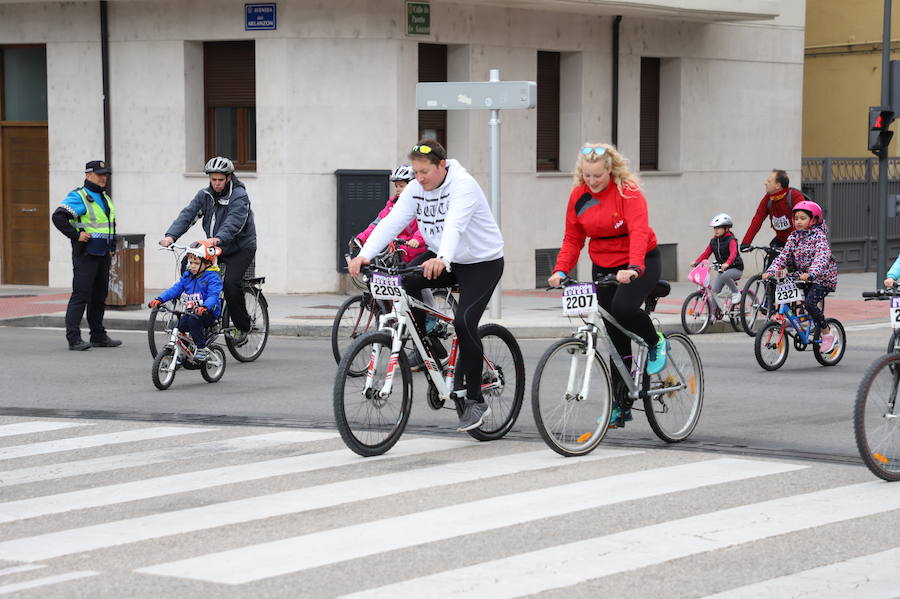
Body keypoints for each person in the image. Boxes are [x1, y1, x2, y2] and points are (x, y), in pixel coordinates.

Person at [348, 139, 504, 433]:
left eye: (424, 172)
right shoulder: (418, 189)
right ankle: (433, 352)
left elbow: (455, 224)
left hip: (480, 262)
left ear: (441, 166)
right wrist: (365, 254)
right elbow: (392, 221)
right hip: (441, 256)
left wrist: (442, 258)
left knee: (464, 321)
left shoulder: (463, 185)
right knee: (401, 284)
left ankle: (475, 398)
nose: (418, 179)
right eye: (415, 172)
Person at [547, 143, 665, 428]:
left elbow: (638, 230)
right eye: (587, 175)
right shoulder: (579, 196)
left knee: (623, 308)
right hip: (603, 264)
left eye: (597, 175)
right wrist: (561, 270)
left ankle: (654, 341)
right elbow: (573, 238)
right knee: (612, 333)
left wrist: (635, 267)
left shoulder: (628, 191)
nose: (592, 181)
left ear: (610, 170)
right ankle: (621, 404)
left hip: (641, 260)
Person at [159, 157, 257, 346]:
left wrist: (218, 238)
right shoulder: (205, 195)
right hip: (216, 247)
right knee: (190, 269)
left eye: (220, 179)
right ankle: (195, 313)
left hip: (240, 247)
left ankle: (242, 327)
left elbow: (235, 221)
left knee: (230, 284)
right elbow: (188, 215)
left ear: (228, 178)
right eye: (213, 179)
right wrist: (171, 236)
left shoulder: (239, 195)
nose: (216, 183)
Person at [51, 160, 122, 351]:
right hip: (87, 253)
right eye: (99, 174)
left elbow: (110, 224)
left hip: (103, 253)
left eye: (105, 174)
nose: (103, 178)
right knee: (81, 295)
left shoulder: (104, 197)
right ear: (87, 175)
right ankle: (73, 338)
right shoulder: (79, 196)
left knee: (99, 296)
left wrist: (112, 245)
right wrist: (76, 235)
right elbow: (58, 216)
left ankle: (98, 335)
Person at [762, 200, 838, 354]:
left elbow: (822, 257)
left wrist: (812, 273)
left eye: (803, 218)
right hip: (803, 276)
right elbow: (783, 257)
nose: (798, 221)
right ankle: (791, 318)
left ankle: (827, 333)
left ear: (813, 220)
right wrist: (771, 271)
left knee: (810, 303)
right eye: (796, 218)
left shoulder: (819, 236)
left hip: (822, 277)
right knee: (784, 286)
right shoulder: (794, 237)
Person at [148, 241, 223, 361]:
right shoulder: (188, 276)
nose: (192, 265)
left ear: (207, 263)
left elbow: (213, 296)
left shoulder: (212, 277)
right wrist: (160, 299)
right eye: (190, 262)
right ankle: (180, 353)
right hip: (191, 311)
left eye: (196, 263)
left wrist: (205, 307)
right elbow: (175, 289)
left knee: (193, 321)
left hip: (208, 312)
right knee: (179, 326)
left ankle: (201, 348)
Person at [355, 165, 427, 264]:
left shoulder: (423, 203)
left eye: (401, 186)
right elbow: (377, 225)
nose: (397, 189)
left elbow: (427, 226)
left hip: (420, 253)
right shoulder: (392, 205)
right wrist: (361, 239)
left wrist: (417, 239)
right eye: (396, 186)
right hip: (398, 254)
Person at [739, 169, 806, 253]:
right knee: (771, 260)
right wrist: (746, 242)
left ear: (777, 185)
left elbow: (801, 223)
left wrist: (791, 244)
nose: (765, 183)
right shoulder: (769, 198)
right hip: (781, 240)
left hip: (799, 239)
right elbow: (757, 219)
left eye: (769, 181)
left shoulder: (795, 196)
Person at [690, 213, 744, 309]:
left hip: (735, 268)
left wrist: (727, 263)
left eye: (718, 228)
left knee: (725, 275)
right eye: (715, 228)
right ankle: (713, 316)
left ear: (726, 228)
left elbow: (733, 253)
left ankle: (736, 293)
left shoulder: (731, 240)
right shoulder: (713, 241)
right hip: (722, 269)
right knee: (714, 292)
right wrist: (697, 262)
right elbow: (706, 254)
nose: (716, 230)